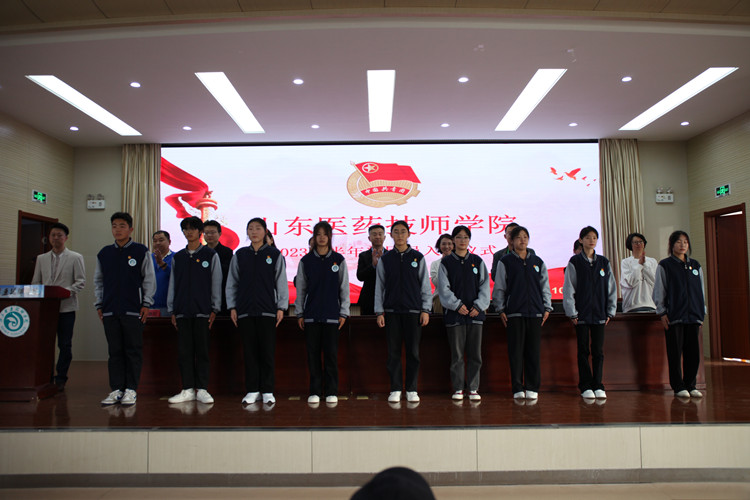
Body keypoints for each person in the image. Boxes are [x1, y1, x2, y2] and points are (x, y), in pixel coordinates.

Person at [95, 212, 156, 406]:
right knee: (115, 351)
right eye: (114, 226)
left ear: (130, 229)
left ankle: (131, 389)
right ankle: (116, 389)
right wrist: (99, 304)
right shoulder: (104, 253)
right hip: (110, 310)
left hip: (133, 310)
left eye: (122, 226)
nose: (117, 229)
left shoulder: (140, 251)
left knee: (133, 351)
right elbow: (98, 281)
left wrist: (146, 303)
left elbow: (149, 279)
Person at [226, 217, 288, 405]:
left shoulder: (274, 254)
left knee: (267, 352)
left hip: (268, 310)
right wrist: (232, 306)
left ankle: (268, 390)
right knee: (249, 352)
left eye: (258, 228)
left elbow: (281, 282)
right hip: (245, 310)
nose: (254, 232)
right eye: (250, 228)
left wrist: (281, 307)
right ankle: (252, 390)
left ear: (265, 231)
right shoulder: (240, 255)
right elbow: (232, 282)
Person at [491, 226, 552, 401]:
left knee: (533, 352)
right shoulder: (505, 261)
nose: (522, 240)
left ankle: (532, 387)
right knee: (516, 352)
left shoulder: (537, 261)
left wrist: (547, 307)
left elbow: (544, 286)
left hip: (535, 313)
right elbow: (500, 287)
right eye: (518, 237)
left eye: (525, 237)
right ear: (511, 240)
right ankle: (517, 387)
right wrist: (500, 309)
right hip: (514, 313)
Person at [166, 217, 222, 405]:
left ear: (200, 232)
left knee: (202, 351)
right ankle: (187, 389)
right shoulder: (178, 257)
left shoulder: (210, 255)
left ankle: (202, 389)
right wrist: (172, 309)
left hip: (203, 312)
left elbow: (216, 282)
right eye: (185, 229)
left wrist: (215, 307)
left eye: (192, 229)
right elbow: (173, 284)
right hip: (182, 311)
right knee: (184, 352)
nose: (188, 232)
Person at [374, 221, 431, 403]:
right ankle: (396, 388)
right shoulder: (385, 259)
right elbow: (379, 286)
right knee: (393, 353)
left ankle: (412, 389)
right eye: (396, 232)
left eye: (403, 232)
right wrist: (379, 312)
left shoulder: (417, 257)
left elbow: (425, 286)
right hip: (391, 312)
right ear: (391, 235)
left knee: (413, 352)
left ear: (408, 234)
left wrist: (425, 309)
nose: (399, 235)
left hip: (413, 312)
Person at [294, 221, 350, 404]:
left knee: (331, 355)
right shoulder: (306, 261)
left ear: (330, 237)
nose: (321, 237)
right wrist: (300, 313)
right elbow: (301, 289)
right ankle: (315, 391)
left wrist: (343, 312)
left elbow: (344, 289)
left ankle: (332, 391)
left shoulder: (339, 260)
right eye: (318, 234)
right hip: (311, 316)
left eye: (325, 234)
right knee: (313, 355)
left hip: (332, 316)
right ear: (314, 237)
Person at [562, 226, 617, 400]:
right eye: (587, 237)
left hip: (600, 314)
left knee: (598, 351)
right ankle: (585, 385)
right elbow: (569, 288)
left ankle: (598, 384)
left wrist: (610, 311)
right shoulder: (575, 262)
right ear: (581, 240)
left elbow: (611, 288)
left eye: (594, 237)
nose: (591, 240)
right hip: (582, 314)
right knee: (583, 351)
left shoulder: (603, 262)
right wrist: (572, 313)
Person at [31, 222, 86, 391]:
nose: (56, 238)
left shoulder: (75, 257)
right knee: (45, 344)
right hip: (45, 309)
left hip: (66, 308)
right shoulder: (41, 258)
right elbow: (36, 282)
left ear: (66, 238)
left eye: (59, 235)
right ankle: (45, 376)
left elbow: (80, 282)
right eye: (53, 235)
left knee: (65, 344)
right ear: (49, 238)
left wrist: (64, 292)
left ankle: (61, 377)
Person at [437, 226, 489, 401]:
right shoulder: (446, 263)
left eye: (466, 237)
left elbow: (484, 286)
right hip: (455, 315)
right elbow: (443, 289)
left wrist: (479, 306)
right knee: (457, 355)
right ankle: (458, 388)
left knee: (475, 355)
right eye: (459, 237)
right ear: (453, 240)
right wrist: (457, 305)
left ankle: (473, 388)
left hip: (475, 315)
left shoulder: (477, 261)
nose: (462, 240)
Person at [653, 230, 706, 398]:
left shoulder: (695, 265)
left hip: (694, 316)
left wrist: (702, 312)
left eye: (685, 242)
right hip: (674, 316)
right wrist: (662, 312)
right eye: (678, 242)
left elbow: (701, 290)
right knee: (675, 354)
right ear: (672, 245)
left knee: (693, 354)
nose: (682, 245)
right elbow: (659, 290)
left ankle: (691, 385)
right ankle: (678, 386)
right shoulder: (665, 265)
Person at [620, 232, 657, 313]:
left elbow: (654, 281)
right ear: (630, 245)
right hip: (632, 306)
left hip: (651, 305)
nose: (639, 244)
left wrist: (645, 264)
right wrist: (639, 265)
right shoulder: (625, 262)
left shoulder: (652, 261)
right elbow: (631, 282)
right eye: (635, 242)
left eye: (641, 242)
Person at [203, 220, 233, 315]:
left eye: (212, 232)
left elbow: (227, 271)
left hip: (222, 294)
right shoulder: (200, 252)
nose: (209, 235)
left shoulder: (227, 252)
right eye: (206, 233)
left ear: (219, 234)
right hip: (204, 294)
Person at [356, 224, 386, 315]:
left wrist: (383, 265)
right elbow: (360, 276)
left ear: (384, 237)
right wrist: (373, 265)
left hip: (386, 298)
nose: (377, 237)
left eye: (380, 234)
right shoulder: (363, 255)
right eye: (374, 234)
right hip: (368, 298)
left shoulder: (390, 256)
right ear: (369, 238)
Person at [151, 230, 174, 316]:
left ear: (169, 242)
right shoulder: (148, 258)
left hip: (168, 307)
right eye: (155, 241)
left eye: (161, 240)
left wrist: (162, 264)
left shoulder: (176, 257)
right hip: (150, 306)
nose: (157, 243)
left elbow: (177, 278)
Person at [429, 233, 453, 314]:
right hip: (439, 298)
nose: (446, 246)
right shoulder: (435, 264)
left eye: (449, 244)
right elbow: (437, 283)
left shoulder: (458, 262)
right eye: (443, 244)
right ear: (439, 246)